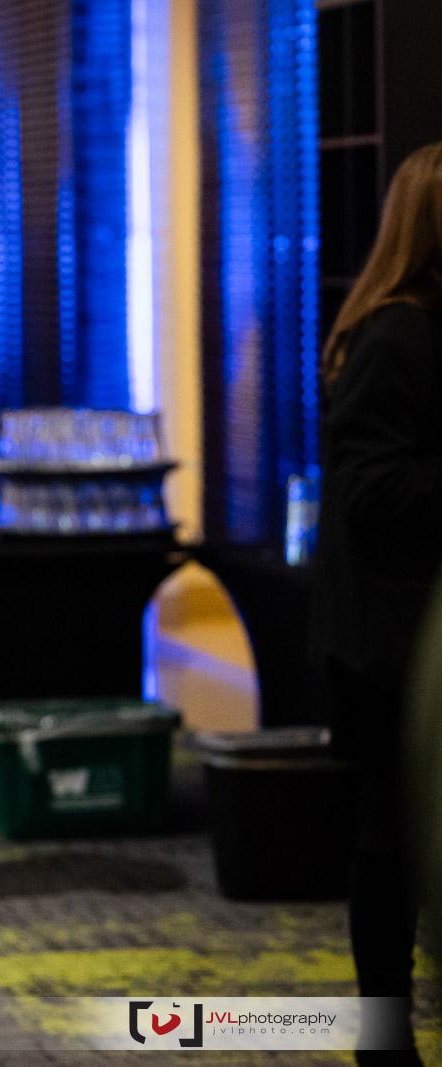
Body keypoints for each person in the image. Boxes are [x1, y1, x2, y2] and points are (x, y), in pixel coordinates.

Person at [311, 141, 442, 1065]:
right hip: (393, 644)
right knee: (391, 843)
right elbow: (371, 489)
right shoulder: (398, 333)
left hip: (409, 635)